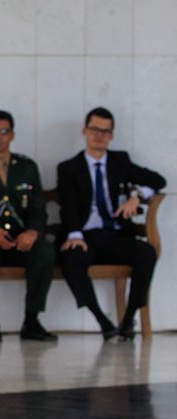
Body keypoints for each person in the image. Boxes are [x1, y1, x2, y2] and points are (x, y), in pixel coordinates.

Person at [56, 107, 167, 340]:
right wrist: (74, 235)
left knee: (146, 253)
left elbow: (158, 180)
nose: (100, 136)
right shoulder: (69, 168)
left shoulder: (120, 161)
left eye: (105, 132)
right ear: (85, 131)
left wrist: (137, 196)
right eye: (95, 130)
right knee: (71, 258)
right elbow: (68, 205)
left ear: (111, 135)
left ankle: (128, 320)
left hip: (115, 236)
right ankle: (103, 321)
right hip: (86, 237)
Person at [0, 109, 56, 342]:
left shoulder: (26, 167)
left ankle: (32, 321)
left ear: (12, 135)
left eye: (4, 132)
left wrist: (32, 233)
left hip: (20, 239)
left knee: (45, 251)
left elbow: (38, 208)